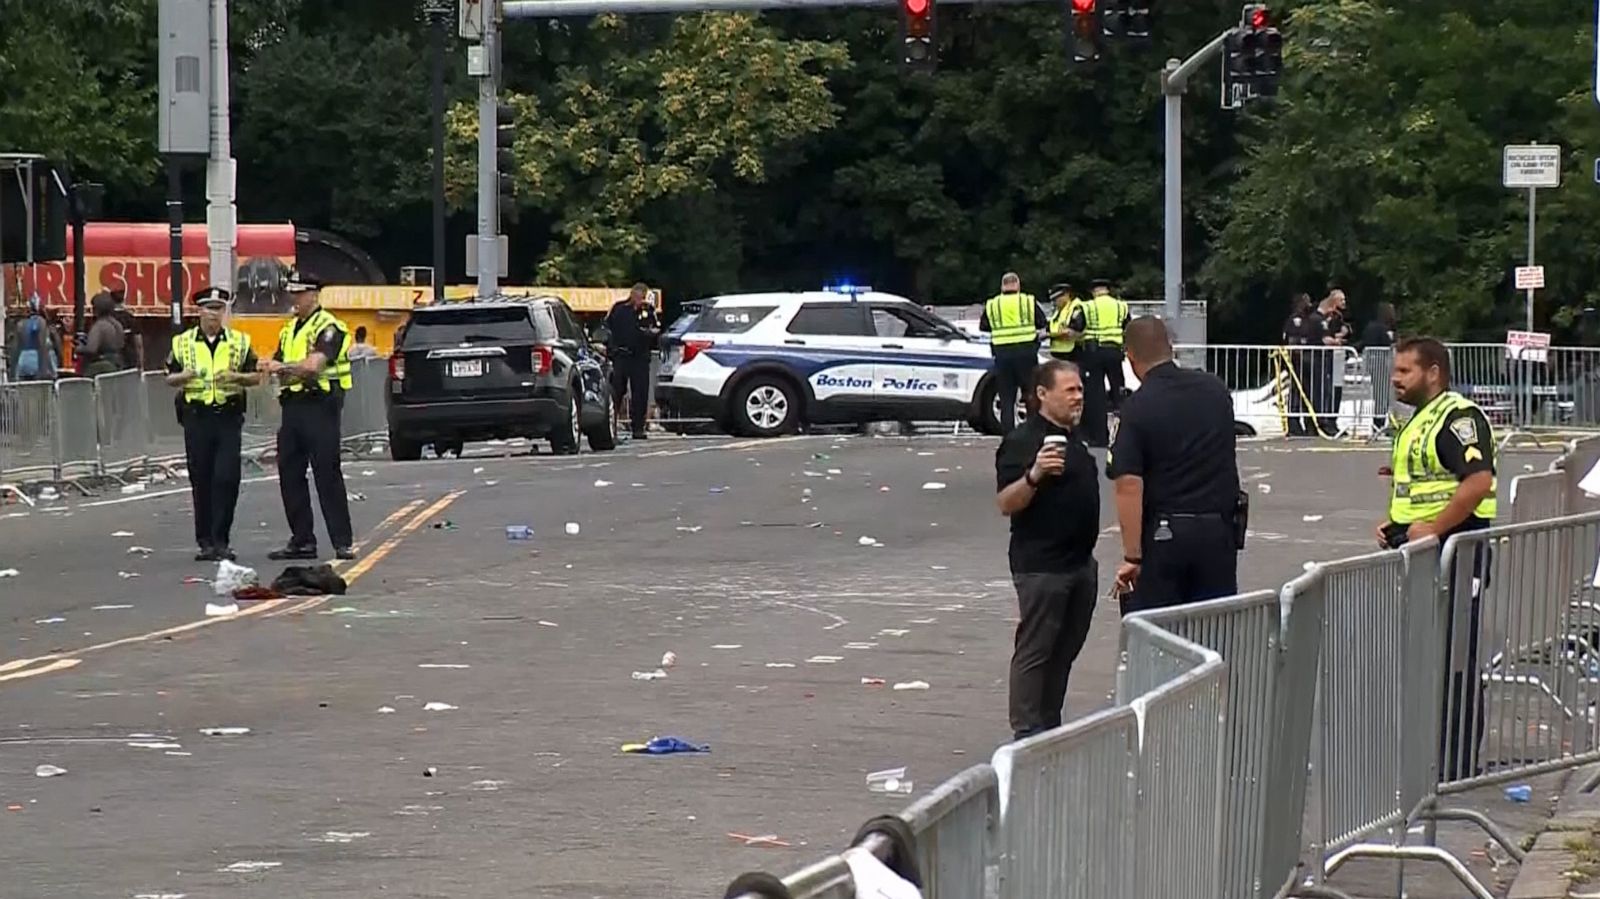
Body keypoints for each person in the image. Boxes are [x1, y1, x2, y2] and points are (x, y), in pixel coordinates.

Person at [1375, 336, 1496, 781]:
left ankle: (1458, 762)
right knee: (1433, 654)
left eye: (1405, 371)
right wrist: (1397, 525)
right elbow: (1425, 486)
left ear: (1434, 373)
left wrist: (1435, 526)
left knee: (1456, 658)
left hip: (1458, 550)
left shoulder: (1457, 418)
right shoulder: (1421, 420)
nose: (1395, 379)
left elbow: (1477, 481)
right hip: (1431, 550)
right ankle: (1437, 754)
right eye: (1395, 370)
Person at [994, 359, 1100, 740]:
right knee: (1036, 649)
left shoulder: (1074, 438)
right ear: (1042, 394)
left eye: (1081, 391)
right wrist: (1034, 475)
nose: (1078, 397)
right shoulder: (1023, 441)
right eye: (1070, 390)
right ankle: (1026, 731)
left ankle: (1047, 724)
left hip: (1079, 565)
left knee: (1064, 650)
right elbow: (1006, 502)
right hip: (1042, 566)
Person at [1109, 317, 1242, 614]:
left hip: (1166, 536)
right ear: (1170, 348)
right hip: (1218, 531)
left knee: (1160, 632)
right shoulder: (1215, 390)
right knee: (1214, 627)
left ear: (1130, 357)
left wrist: (1133, 557)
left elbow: (1128, 484)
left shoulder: (1137, 408)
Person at [257, 271, 356, 561]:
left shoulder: (329, 327)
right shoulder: (289, 330)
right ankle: (302, 540)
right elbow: (281, 364)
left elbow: (314, 365)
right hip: (293, 407)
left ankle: (342, 541)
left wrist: (281, 367)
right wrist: (276, 371)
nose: (295, 299)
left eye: (300, 294)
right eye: (292, 293)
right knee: (289, 474)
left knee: (327, 473)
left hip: (320, 405)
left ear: (314, 295)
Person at [167, 287, 260, 562]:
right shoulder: (182, 342)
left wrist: (235, 377)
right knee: (202, 478)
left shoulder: (239, 342)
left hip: (228, 415)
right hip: (197, 417)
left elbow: (255, 376)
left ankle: (222, 540)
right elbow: (168, 377)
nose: (214, 314)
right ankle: (205, 541)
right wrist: (184, 376)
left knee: (227, 477)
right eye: (209, 308)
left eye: (219, 308)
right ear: (199, 311)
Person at [980, 272, 1046, 434]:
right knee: (1031, 394)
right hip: (1026, 354)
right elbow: (1041, 322)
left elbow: (984, 326)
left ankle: (1009, 436)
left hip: (1003, 355)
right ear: (1018, 285)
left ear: (1002, 286)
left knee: (1006, 398)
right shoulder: (1027, 301)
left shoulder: (993, 304)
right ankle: (1032, 432)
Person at [1074, 278, 1130, 447]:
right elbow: (1128, 326)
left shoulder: (1087, 307)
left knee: (1095, 396)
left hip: (1094, 354)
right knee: (1119, 393)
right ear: (1107, 290)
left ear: (1093, 291)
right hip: (1115, 352)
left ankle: (1099, 438)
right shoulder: (1121, 307)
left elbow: (1076, 327)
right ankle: (1125, 436)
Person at [605, 282, 660, 440]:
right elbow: (607, 327)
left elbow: (655, 329)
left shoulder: (648, 310)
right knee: (616, 391)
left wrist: (649, 333)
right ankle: (611, 425)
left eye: (642, 297)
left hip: (640, 357)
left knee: (640, 393)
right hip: (621, 356)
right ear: (632, 294)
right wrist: (610, 347)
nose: (639, 299)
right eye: (637, 296)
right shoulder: (619, 309)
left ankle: (638, 428)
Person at [1280, 293, 1316, 436]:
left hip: (1307, 362)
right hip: (1297, 362)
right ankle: (1293, 423)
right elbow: (1291, 340)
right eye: (1306, 301)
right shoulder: (1295, 320)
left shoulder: (1308, 319)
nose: (1309, 304)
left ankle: (1309, 424)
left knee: (1307, 393)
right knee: (1296, 392)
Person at [10, 295, 61, 381]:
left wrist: (13, 371)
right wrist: (46, 370)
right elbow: (42, 346)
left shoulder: (21, 324)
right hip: (38, 362)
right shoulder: (41, 323)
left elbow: (15, 348)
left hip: (23, 361)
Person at [83, 292, 127, 377]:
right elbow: (122, 344)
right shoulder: (117, 324)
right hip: (118, 363)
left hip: (102, 366)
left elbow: (91, 348)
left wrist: (80, 348)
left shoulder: (100, 325)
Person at [1045, 283, 1081, 363]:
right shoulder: (1058, 310)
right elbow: (1050, 327)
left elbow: (1072, 332)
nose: (1055, 302)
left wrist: (1049, 335)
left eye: (1056, 299)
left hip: (1071, 353)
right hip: (1058, 353)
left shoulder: (1076, 308)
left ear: (1066, 295)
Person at [111, 289, 144, 372]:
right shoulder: (131, 319)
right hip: (130, 360)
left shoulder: (108, 319)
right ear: (124, 300)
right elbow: (139, 344)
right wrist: (141, 364)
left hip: (113, 361)